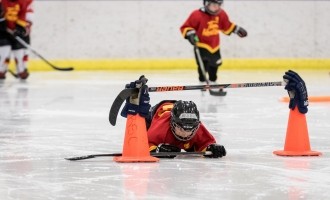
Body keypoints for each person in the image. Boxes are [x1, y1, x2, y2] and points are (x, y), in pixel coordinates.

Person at [120, 76, 227, 158]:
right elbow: (144, 142)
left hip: (174, 110)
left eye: (190, 129)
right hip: (157, 112)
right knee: (140, 114)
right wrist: (156, 149)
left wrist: (211, 148)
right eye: (181, 128)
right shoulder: (161, 128)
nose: (185, 133)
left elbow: (206, 143)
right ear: (172, 123)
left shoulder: (196, 127)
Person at [180, 0, 247, 93]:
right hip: (201, 45)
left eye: (218, 5)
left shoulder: (221, 14)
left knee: (215, 64)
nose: (216, 7)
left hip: (214, 45)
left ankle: (213, 81)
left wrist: (236, 29)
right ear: (207, 4)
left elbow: (226, 25)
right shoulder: (197, 14)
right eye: (214, 5)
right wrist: (190, 33)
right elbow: (186, 26)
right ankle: (202, 82)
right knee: (203, 65)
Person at [0, 0, 34, 80]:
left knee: (19, 52)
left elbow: (24, 15)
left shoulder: (23, 2)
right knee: (4, 51)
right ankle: (1, 69)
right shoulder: (2, 1)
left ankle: (21, 70)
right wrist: (1, 21)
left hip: (15, 31)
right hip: (3, 32)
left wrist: (19, 28)